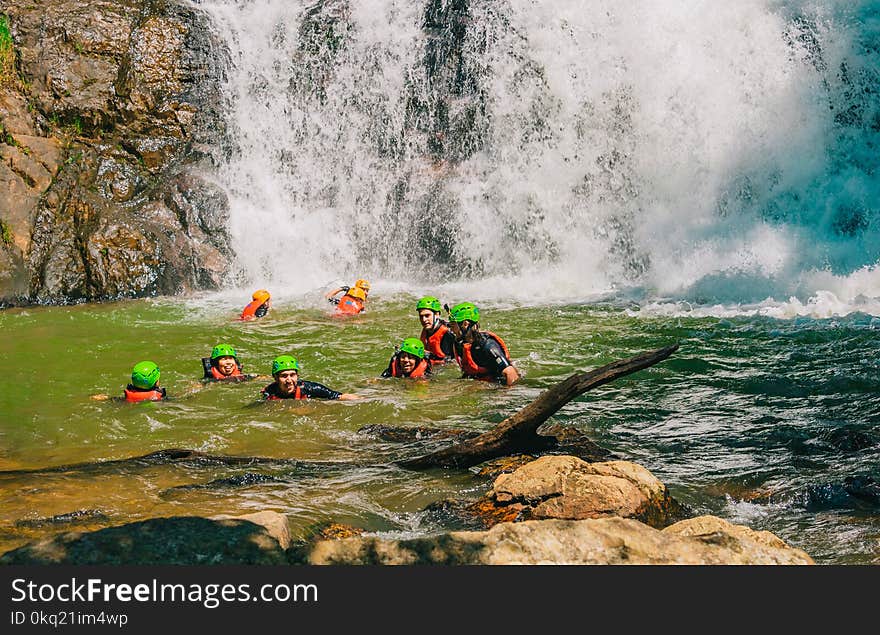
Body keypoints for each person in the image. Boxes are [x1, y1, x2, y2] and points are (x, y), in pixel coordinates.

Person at [447, 302, 520, 386]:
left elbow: (510, 373)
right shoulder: (460, 343)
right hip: (477, 382)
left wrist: (505, 395)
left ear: (465, 324)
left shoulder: (488, 345)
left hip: (496, 385)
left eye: (452, 325)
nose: (450, 329)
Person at [261, 355, 361, 400]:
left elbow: (340, 396)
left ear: (297, 376)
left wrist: (365, 399)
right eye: (284, 376)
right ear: (275, 378)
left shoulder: (310, 388)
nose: (289, 380)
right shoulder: (269, 392)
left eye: (292, 375)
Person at [415, 296, 456, 365]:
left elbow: (452, 362)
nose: (424, 320)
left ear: (437, 314)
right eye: (421, 316)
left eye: (427, 315)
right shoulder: (427, 328)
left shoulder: (447, 333)